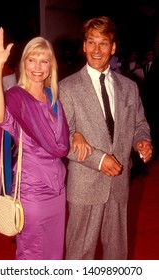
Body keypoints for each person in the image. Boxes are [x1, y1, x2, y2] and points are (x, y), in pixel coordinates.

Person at [59, 16, 153, 260]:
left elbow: (140, 124)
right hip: (85, 185)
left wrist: (142, 140)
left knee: (117, 254)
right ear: (84, 46)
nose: (96, 50)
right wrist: (99, 160)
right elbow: (62, 139)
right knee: (79, 255)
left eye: (103, 43)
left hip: (120, 183)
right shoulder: (67, 87)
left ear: (113, 47)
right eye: (91, 42)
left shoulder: (129, 87)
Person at [0, 27, 70, 260]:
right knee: (32, 255)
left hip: (58, 190)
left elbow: (60, 142)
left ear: (51, 66)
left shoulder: (52, 97)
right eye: (32, 60)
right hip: (32, 192)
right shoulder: (16, 97)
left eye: (44, 61)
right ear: (23, 63)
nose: (38, 67)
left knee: (53, 254)